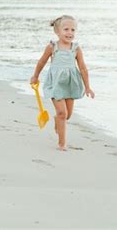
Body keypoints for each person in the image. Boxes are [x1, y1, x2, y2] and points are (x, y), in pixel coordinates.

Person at [30, 15, 95, 151]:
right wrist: (35, 76)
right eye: (66, 29)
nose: (70, 33)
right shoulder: (52, 47)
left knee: (68, 115)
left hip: (70, 84)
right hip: (56, 84)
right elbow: (42, 61)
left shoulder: (75, 49)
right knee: (62, 113)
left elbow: (82, 68)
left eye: (73, 30)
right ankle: (62, 143)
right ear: (57, 32)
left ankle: (57, 121)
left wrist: (88, 87)